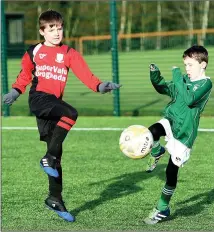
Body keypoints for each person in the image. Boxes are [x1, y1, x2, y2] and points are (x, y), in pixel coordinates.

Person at [3, 10, 121, 222]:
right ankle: (47, 159)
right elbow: (24, 75)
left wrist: (101, 86)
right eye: (51, 29)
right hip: (39, 99)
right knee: (71, 113)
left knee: (56, 157)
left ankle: (54, 198)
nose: (57, 32)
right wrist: (14, 91)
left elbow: (86, 75)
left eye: (59, 28)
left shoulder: (69, 53)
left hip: (54, 104)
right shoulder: (34, 51)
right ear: (42, 31)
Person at [143, 45, 212, 224]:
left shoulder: (206, 84)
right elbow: (164, 89)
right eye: (185, 65)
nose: (186, 69)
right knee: (152, 131)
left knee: (170, 173)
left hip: (184, 133)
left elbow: (189, 99)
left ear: (202, 64)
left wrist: (176, 75)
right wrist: (155, 75)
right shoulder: (182, 80)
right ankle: (157, 151)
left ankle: (163, 207)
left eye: (189, 65)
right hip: (170, 120)